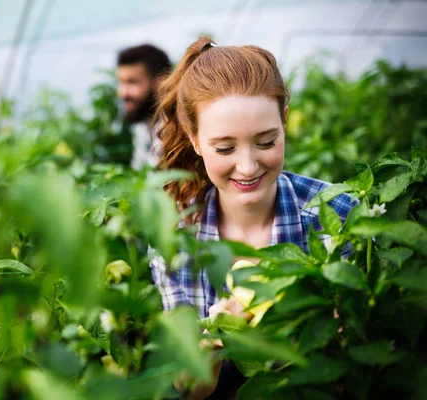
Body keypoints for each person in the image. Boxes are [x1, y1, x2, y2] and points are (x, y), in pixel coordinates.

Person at [149, 37, 356, 399]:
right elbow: (187, 389)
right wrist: (211, 344)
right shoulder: (175, 237)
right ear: (195, 140)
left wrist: (335, 338)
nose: (247, 166)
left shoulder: (337, 215)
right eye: (225, 148)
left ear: (285, 122)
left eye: (265, 142)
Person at [116, 44, 171, 170]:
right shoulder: (143, 125)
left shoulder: (178, 127)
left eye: (132, 82)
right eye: (121, 82)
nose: (122, 93)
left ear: (162, 82)